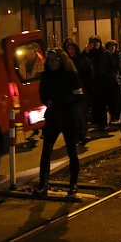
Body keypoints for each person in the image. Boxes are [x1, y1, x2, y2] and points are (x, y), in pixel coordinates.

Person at [34, 48, 83, 197]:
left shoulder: (69, 74)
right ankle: (43, 184)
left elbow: (79, 94)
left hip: (68, 115)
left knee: (71, 151)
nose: (52, 63)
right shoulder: (47, 76)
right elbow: (42, 93)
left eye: (55, 60)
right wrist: (47, 101)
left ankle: (73, 184)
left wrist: (65, 101)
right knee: (46, 151)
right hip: (53, 116)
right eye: (50, 60)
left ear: (61, 60)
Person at [84, 35, 119, 133]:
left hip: (105, 82)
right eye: (93, 43)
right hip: (94, 83)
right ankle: (101, 123)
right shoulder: (89, 54)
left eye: (96, 42)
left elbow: (112, 66)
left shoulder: (106, 54)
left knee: (105, 103)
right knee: (98, 105)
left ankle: (106, 122)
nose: (95, 45)